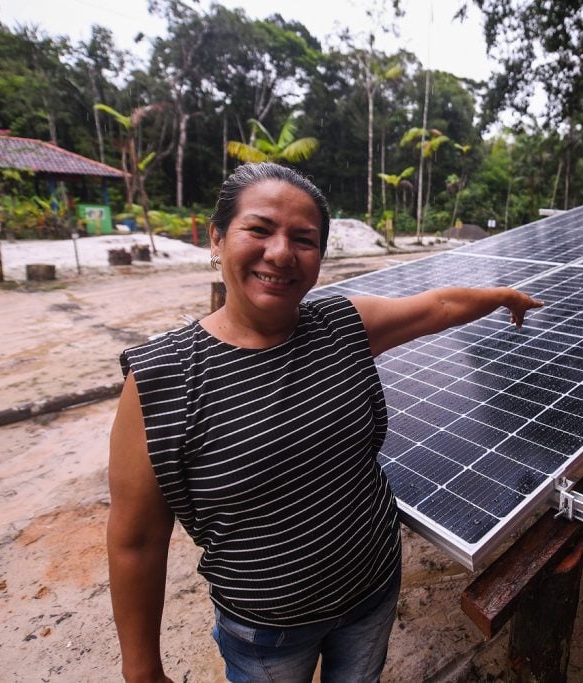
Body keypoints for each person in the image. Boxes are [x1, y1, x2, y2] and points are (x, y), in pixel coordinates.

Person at [107, 162, 543, 683]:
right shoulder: (162, 377)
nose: (281, 253)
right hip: (268, 631)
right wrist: (142, 672)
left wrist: (503, 297)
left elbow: (439, 306)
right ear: (217, 239)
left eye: (304, 239)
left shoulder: (341, 326)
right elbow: (135, 541)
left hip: (373, 591)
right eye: (260, 229)